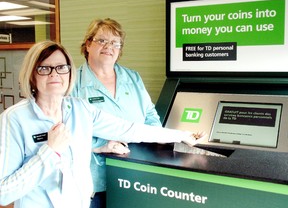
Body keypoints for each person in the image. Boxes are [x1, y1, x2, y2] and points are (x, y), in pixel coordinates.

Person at [0, 40, 205, 208]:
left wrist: (181, 135)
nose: (54, 74)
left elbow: (129, 129)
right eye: (44, 68)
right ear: (32, 74)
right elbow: (4, 193)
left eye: (61, 67)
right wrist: (49, 152)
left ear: (69, 72)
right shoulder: (15, 119)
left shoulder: (80, 109)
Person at [71, 18, 162, 208]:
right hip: (95, 180)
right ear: (88, 44)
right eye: (102, 40)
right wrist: (102, 144)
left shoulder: (133, 77)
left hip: (135, 175)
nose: (109, 47)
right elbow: (68, 130)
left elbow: (150, 115)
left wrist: (156, 138)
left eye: (115, 42)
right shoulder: (74, 83)